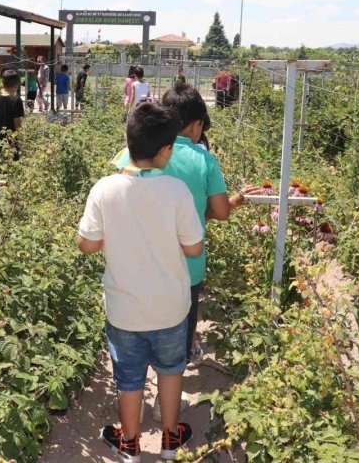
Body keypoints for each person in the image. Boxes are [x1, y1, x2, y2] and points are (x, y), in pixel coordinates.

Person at [111, 84, 258, 422]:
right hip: (185, 267)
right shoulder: (203, 158)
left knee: (133, 333)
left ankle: (134, 403)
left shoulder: (132, 152)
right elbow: (218, 212)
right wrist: (234, 201)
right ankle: (169, 405)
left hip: (134, 263)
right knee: (176, 338)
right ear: (195, 125)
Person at [78, 102, 204, 461]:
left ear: (127, 139)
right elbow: (194, 248)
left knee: (129, 378)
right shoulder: (177, 191)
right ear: (166, 150)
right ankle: (169, 440)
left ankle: (130, 443)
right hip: (170, 308)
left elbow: (86, 244)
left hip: (124, 310)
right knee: (170, 371)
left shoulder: (105, 188)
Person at [0, 70, 25, 162]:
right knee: (13, 166)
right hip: (12, 141)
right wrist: (21, 139)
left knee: (0, 165)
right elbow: (17, 124)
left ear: (2, 84)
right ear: (17, 85)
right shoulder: (17, 100)